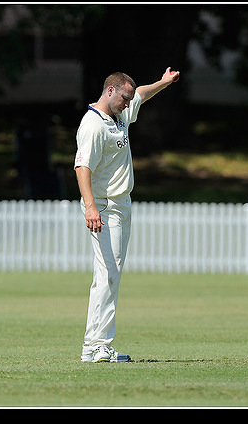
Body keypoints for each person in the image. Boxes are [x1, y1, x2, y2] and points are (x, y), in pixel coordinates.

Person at [74, 67, 180, 363]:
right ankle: (99, 346)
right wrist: (91, 206)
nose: (128, 102)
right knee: (109, 274)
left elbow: (141, 95)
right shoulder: (93, 125)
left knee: (108, 274)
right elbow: (82, 167)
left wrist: (163, 82)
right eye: (124, 97)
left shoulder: (118, 114)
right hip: (105, 207)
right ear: (110, 91)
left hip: (120, 204)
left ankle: (92, 346)